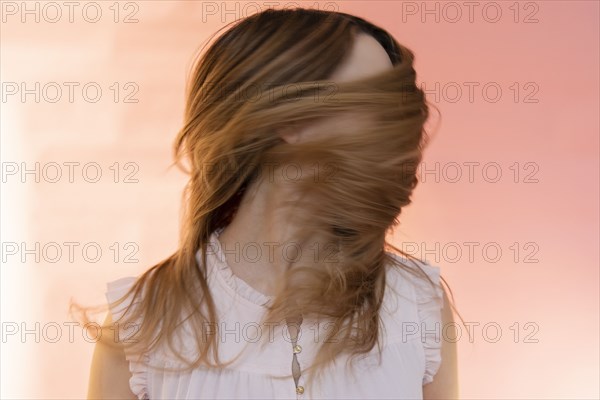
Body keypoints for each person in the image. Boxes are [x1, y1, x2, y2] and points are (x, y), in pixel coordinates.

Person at [85, 8, 460, 400]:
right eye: (373, 103)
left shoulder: (417, 303)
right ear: (288, 118)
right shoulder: (141, 325)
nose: (398, 129)